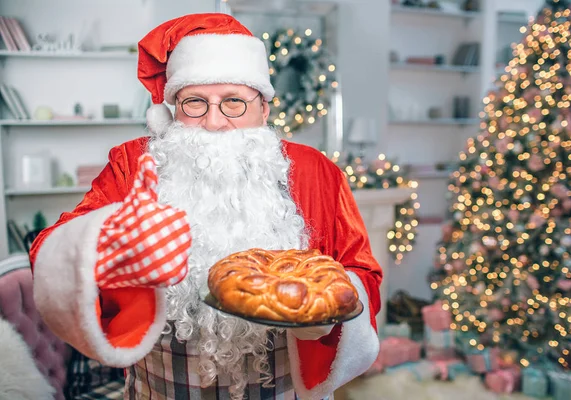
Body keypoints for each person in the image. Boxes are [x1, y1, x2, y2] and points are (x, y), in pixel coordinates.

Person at [30, 13, 382, 400]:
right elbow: (51, 250)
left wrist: (328, 314)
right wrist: (110, 249)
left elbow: (361, 269)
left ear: (263, 109)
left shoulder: (316, 171)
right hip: (161, 389)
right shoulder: (134, 165)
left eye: (233, 102)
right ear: (172, 110)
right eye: (195, 102)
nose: (214, 122)